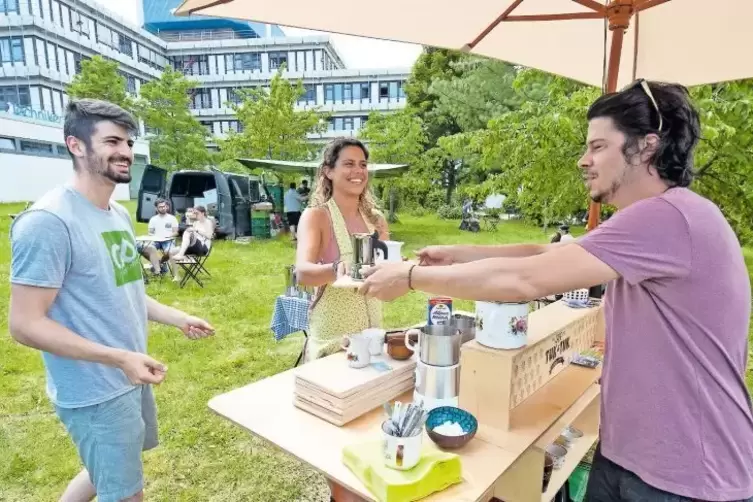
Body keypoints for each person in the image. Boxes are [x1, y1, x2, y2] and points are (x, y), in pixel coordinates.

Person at [359, 80, 753, 501]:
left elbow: (525, 280)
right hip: (630, 455)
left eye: (598, 147)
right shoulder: (656, 219)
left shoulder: (668, 217)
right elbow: (546, 252)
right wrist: (461, 254)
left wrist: (412, 277)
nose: (584, 161)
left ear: (646, 147)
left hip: (687, 474)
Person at [9, 99, 215, 502]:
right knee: (123, 492)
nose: (126, 151)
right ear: (76, 145)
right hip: (94, 389)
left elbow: (127, 291)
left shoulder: (116, 214)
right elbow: (25, 324)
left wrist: (177, 317)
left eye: (129, 141)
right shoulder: (48, 222)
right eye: (112, 141)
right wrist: (119, 358)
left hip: (127, 376)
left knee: (102, 469)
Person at [295, 137, 389, 363]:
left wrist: (402, 270)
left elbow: (385, 278)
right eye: (349, 164)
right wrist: (337, 268)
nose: (358, 170)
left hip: (373, 337)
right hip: (333, 341)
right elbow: (303, 273)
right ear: (328, 171)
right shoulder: (317, 216)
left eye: (363, 164)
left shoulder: (376, 220)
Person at [167, 205, 214, 282]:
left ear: (203, 213)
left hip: (202, 248)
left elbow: (209, 236)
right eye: (194, 213)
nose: (195, 215)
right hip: (193, 246)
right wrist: (189, 220)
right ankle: (176, 276)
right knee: (171, 252)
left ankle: (181, 254)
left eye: (197, 213)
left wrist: (197, 230)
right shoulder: (195, 223)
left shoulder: (208, 222)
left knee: (188, 231)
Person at [139, 198, 178, 274]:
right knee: (144, 248)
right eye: (160, 207)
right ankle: (158, 265)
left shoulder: (172, 218)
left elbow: (176, 232)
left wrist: (168, 236)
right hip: (156, 240)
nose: (163, 208)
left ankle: (159, 262)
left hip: (168, 240)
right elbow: (151, 233)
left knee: (169, 251)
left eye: (164, 206)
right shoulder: (153, 220)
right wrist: (154, 237)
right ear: (156, 208)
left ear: (167, 207)